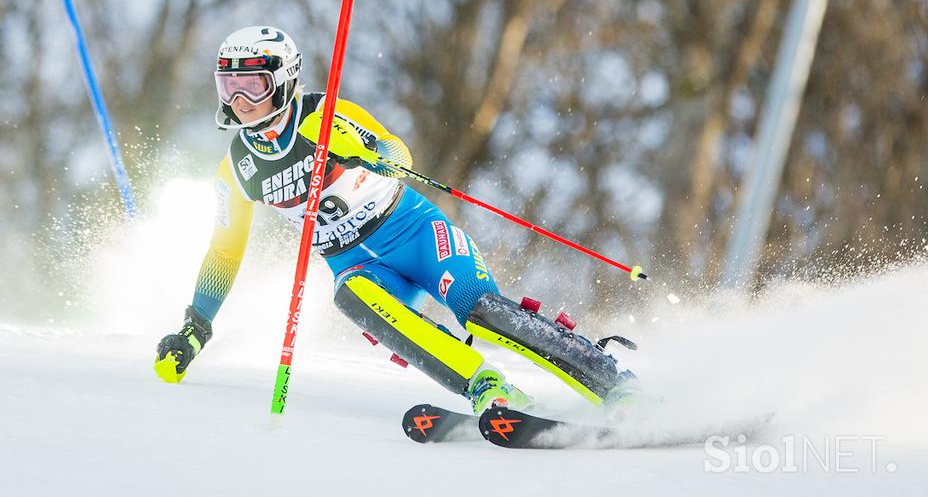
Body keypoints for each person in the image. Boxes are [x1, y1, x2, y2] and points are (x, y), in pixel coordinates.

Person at [154, 25, 637, 415]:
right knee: (350, 297)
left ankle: (611, 381)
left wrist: (364, 151)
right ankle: (487, 387)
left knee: (481, 311)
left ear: (282, 80)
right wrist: (195, 327)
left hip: (413, 231)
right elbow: (223, 252)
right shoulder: (234, 171)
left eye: (253, 87)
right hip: (356, 266)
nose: (240, 104)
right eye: (229, 88)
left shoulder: (324, 115)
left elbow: (395, 151)